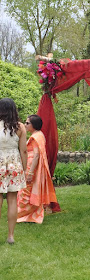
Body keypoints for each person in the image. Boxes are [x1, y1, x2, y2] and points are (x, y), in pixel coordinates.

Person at [17, 114, 58, 224]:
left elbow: (36, 155)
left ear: (34, 125)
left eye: (27, 123)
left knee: (24, 192)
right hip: (32, 166)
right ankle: (29, 214)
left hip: (31, 167)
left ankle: (22, 215)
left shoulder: (35, 137)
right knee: (28, 191)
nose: (25, 125)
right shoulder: (39, 135)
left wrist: (30, 172)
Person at [0, 98, 27, 244]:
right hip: (14, 165)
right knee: (12, 200)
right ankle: (10, 236)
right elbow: (23, 150)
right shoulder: (20, 127)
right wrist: (24, 168)